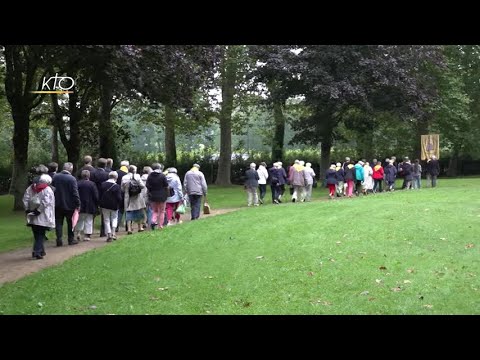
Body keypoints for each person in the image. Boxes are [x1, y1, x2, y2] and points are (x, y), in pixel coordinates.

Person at [23, 174, 55, 259]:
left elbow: (25, 199)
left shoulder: (30, 188)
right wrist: (38, 211)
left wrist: (27, 210)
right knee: (41, 234)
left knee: (37, 234)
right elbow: (46, 202)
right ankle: (36, 252)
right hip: (43, 215)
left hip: (31, 215)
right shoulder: (47, 190)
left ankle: (41, 251)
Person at [51, 162, 80, 246]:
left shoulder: (55, 177)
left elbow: (52, 190)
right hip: (69, 204)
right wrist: (78, 203)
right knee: (70, 222)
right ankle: (70, 239)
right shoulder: (72, 179)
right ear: (70, 169)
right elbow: (75, 193)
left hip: (57, 203)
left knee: (59, 222)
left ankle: (59, 239)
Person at [122, 165, 146, 234]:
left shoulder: (124, 177)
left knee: (129, 212)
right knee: (139, 211)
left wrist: (127, 191)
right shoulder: (137, 176)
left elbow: (122, 188)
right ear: (134, 170)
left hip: (128, 197)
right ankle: (139, 227)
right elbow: (142, 186)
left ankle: (129, 228)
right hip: (137, 196)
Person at [76, 170, 99, 241]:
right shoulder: (92, 184)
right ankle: (87, 235)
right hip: (90, 205)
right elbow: (95, 195)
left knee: (79, 220)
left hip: (80, 204)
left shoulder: (77, 183)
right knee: (89, 220)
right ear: (89, 176)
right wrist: (97, 203)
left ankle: (78, 233)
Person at [99, 171, 123, 241]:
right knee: (114, 218)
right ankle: (113, 233)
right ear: (116, 177)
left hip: (104, 205)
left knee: (106, 219)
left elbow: (100, 195)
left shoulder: (103, 184)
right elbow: (119, 198)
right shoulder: (117, 186)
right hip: (114, 205)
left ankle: (108, 234)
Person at [146, 163, 169, 230]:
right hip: (162, 196)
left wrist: (151, 190)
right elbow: (166, 186)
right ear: (159, 168)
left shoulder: (150, 176)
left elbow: (147, 185)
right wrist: (167, 194)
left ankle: (153, 221)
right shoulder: (162, 176)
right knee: (162, 211)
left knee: (155, 211)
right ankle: (160, 226)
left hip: (153, 196)